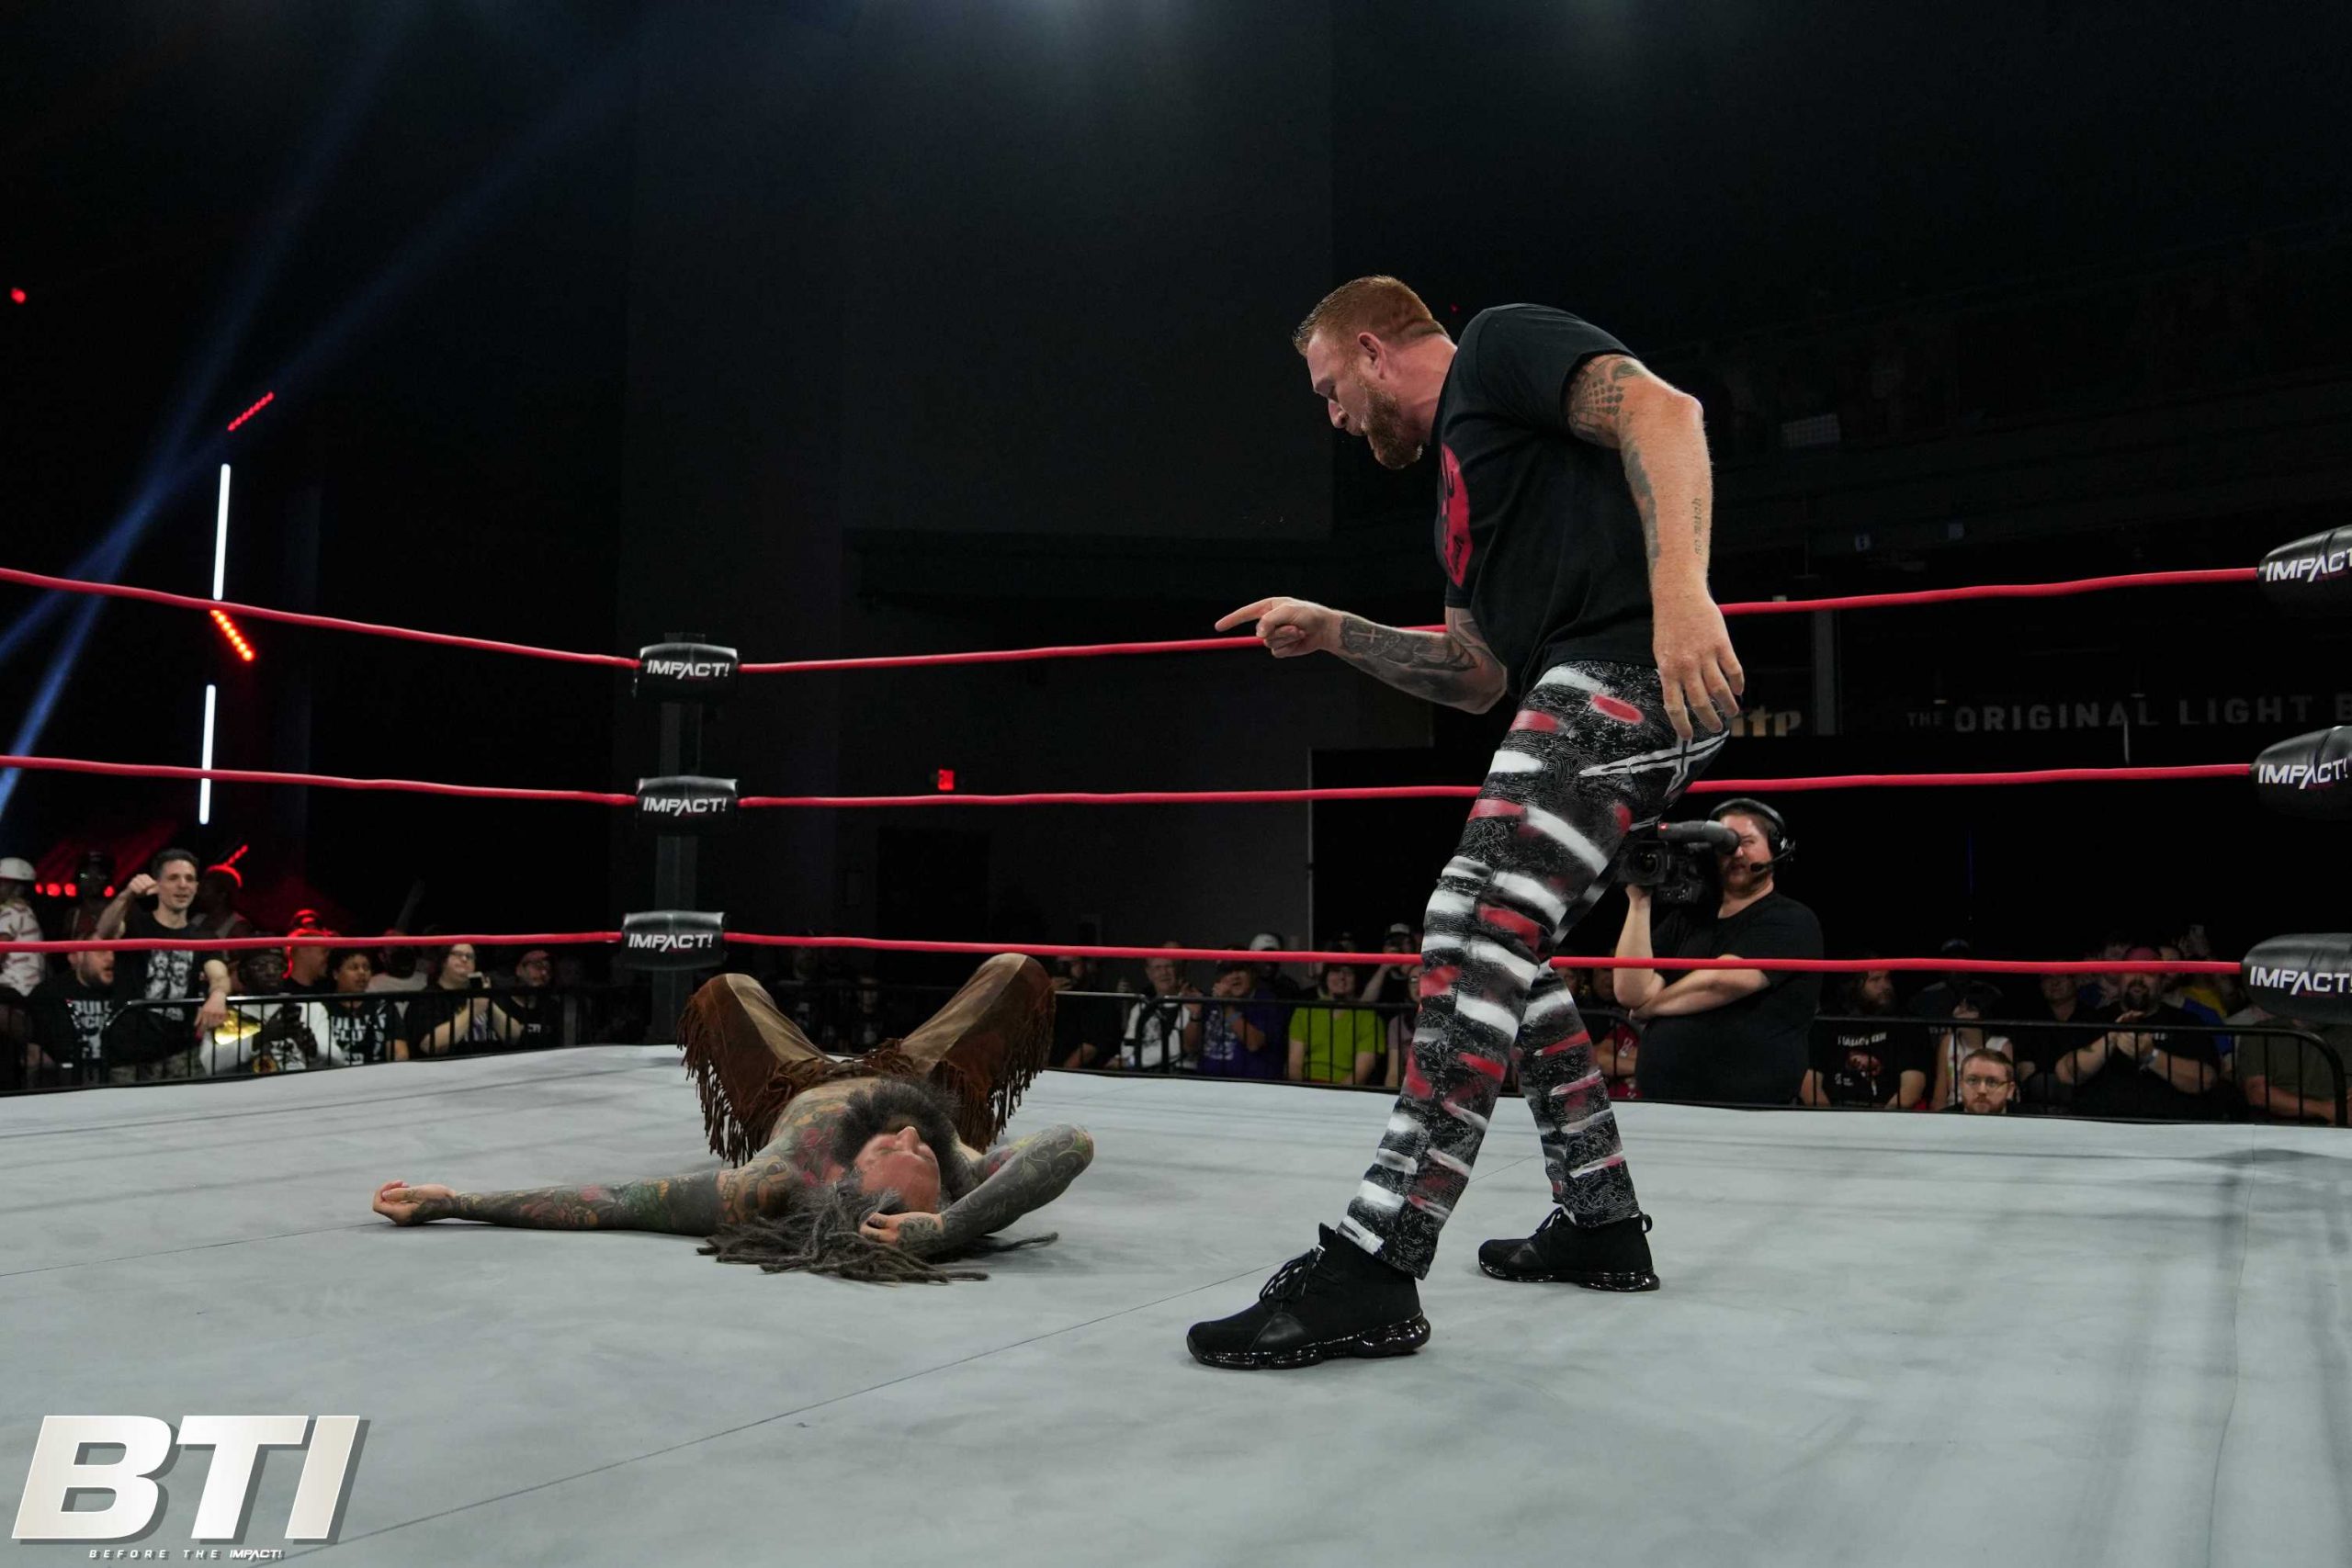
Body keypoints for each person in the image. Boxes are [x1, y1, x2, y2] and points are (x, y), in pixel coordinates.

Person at [1191, 276, 1742, 1370]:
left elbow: (1661, 410)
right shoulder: (1458, 497)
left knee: (1467, 927)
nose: (1333, 417)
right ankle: (1600, 1219)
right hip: (1579, 685)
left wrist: (1681, 593)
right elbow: (1474, 673)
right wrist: (1338, 630)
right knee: (1509, 954)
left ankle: (1374, 1263)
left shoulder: (1495, 348)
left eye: (1329, 389)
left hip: (1629, 672)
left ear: (1371, 350)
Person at [371, 956, 1091, 1284]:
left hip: (791, 1086)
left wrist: (458, 1199)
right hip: (918, 1073)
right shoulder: (961, 1172)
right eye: (920, 1147)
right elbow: (1072, 1143)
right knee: (1017, 970)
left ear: (849, 1181)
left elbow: (615, 1200)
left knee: (725, 989)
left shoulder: (775, 1180)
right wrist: (953, 1221)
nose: (909, 1133)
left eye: (894, 1149)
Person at [1620, 801, 1823, 1106]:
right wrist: (1639, 901)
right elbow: (1630, 993)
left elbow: (1722, 981)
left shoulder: (1792, 919)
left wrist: (1651, 1008)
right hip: (1662, 1105)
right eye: (1725, 844)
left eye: (1748, 842)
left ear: (1774, 849)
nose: (1736, 853)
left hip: (1747, 1110)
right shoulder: (1686, 919)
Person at [95, 849, 231, 1081]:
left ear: (196, 887)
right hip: (129, 1051)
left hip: (178, 1050)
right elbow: (104, 932)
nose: (182, 885)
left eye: (189, 879)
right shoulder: (135, 924)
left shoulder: (202, 936)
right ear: (157, 884)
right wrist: (127, 895)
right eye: (173, 878)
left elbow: (219, 975)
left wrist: (218, 995)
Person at [2051, 950, 2227, 1121]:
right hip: (2101, 1128)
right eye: (2130, 970)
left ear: (2162, 982)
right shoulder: (2093, 1019)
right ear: (2120, 978)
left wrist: (2151, 1056)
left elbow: (2206, 1080)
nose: (2138, 978)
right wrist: (2112, 1037)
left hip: (2168, 1130)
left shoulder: (2185, 1022)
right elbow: (2066, 1074)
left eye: (2149, 973)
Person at [1800, 966, 1928, 1109]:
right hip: (1834, 1111)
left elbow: (1912, 1087)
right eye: (1875, 979)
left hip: (1887, 1113)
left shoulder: (1906, 1023)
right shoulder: (1827, 1021)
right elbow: (1808, 1084)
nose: (1885, 986)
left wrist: (1883, 1119)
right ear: (1855, 985)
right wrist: (1830, 1119)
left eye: (1887, 978)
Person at [2224, 1001, 2349, 1126]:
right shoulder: (2264, 1032)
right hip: (2280, 1126)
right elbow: (2258, 1094)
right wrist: (2325, 1109)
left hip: (2342, 1125)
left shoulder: (2346, 1031)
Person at [397, 942, 531, 1057]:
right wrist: (472, 1011)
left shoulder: (482, 994)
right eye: (457, 954)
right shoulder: (427, 998)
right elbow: (430, 1045)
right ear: (443, 961)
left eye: (470, 956)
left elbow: (514, 1036)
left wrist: (488, 1003)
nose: (464, 959)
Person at [28, 947, 114, 1088]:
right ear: (78, 956)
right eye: (101, 951)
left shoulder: (125, 990)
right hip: (62, 1081)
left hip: (113, 1078)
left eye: (115, 952)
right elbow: (35, 1051)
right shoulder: (50, 992)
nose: (111, 958)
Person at [1288, 960, 1384, 1085]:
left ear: (1357, 979)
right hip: (1306, 1087)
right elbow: (1294, 1065)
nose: (1341, 977)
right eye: (1335, 971)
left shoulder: (1370, 1018)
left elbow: (1359, 1074)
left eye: (1348, 973)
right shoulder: (1304, 1011)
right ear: (1326, 977)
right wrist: (1302, 1092)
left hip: (1344, 1092)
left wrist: (1334, 1095)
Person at [1926, 988, 2014, 1111]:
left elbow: (2006, 1093)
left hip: (1991, 1109)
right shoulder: (1948, 1041)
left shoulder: (2001, 1045)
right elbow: (1939, 1094)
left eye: (1969, 1009)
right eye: (1959, 1006)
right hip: (1954, 1110)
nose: (1959, 1011)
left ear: (1984, 1014)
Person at [1119, 943, 1201, 1072]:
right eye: (1157, 968)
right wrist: (1129, 1061)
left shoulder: (1190, 1003)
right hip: (1142, 1074)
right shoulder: (1141, 1007)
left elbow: (1177, 1047)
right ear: (1149, 973)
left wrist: (1133, 1061)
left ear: (1177, 970)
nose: (1164, 972)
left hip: (1180, 1074)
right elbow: (1128, 1048)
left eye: (1168, 966)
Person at [1944, 1048, 2020, 1115]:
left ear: (2009, 1089)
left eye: (1992, 1082)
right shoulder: (1943, 1120)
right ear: (1961, 1085)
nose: (1982, 1091)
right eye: (1973, 1080)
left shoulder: (2026, 1120)